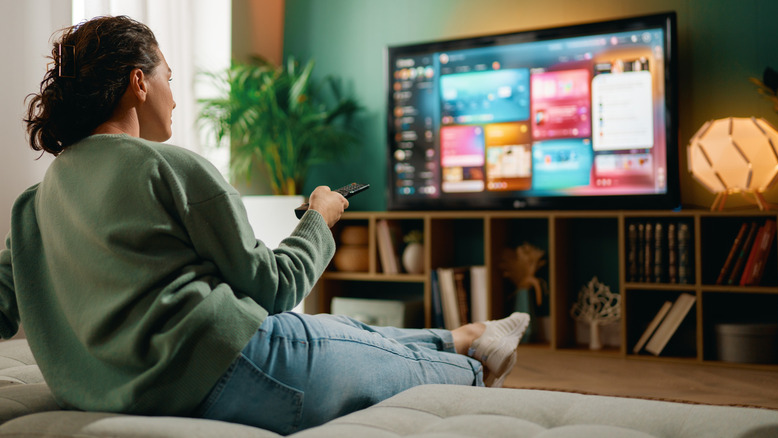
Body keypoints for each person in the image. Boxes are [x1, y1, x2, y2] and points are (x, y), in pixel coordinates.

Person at [0, 15, 530, 435]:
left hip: (110, 389)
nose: (176, 96)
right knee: (362, 354)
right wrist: (320, 217)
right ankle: (476, 358)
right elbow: (275, 287)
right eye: (168, 76)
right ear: (139, 81)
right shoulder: (167, 168)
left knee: (341, 330)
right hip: (226, 366)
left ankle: (462, 335)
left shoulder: (32, 206)